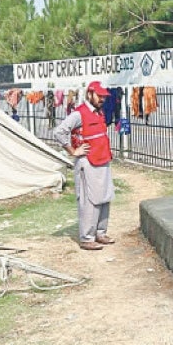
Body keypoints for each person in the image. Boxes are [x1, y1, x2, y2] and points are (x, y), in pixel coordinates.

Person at [53, 81, 116, 251]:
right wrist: (73, 150)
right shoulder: (79, 114)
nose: (102, 99)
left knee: (105, 197)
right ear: (89, 94)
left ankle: (100, 233)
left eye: (104, 96)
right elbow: (59, 132)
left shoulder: (99, 112)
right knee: (89, 200)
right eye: (99, 95)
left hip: (102, 159)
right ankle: (87, 238)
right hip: (88, 161)